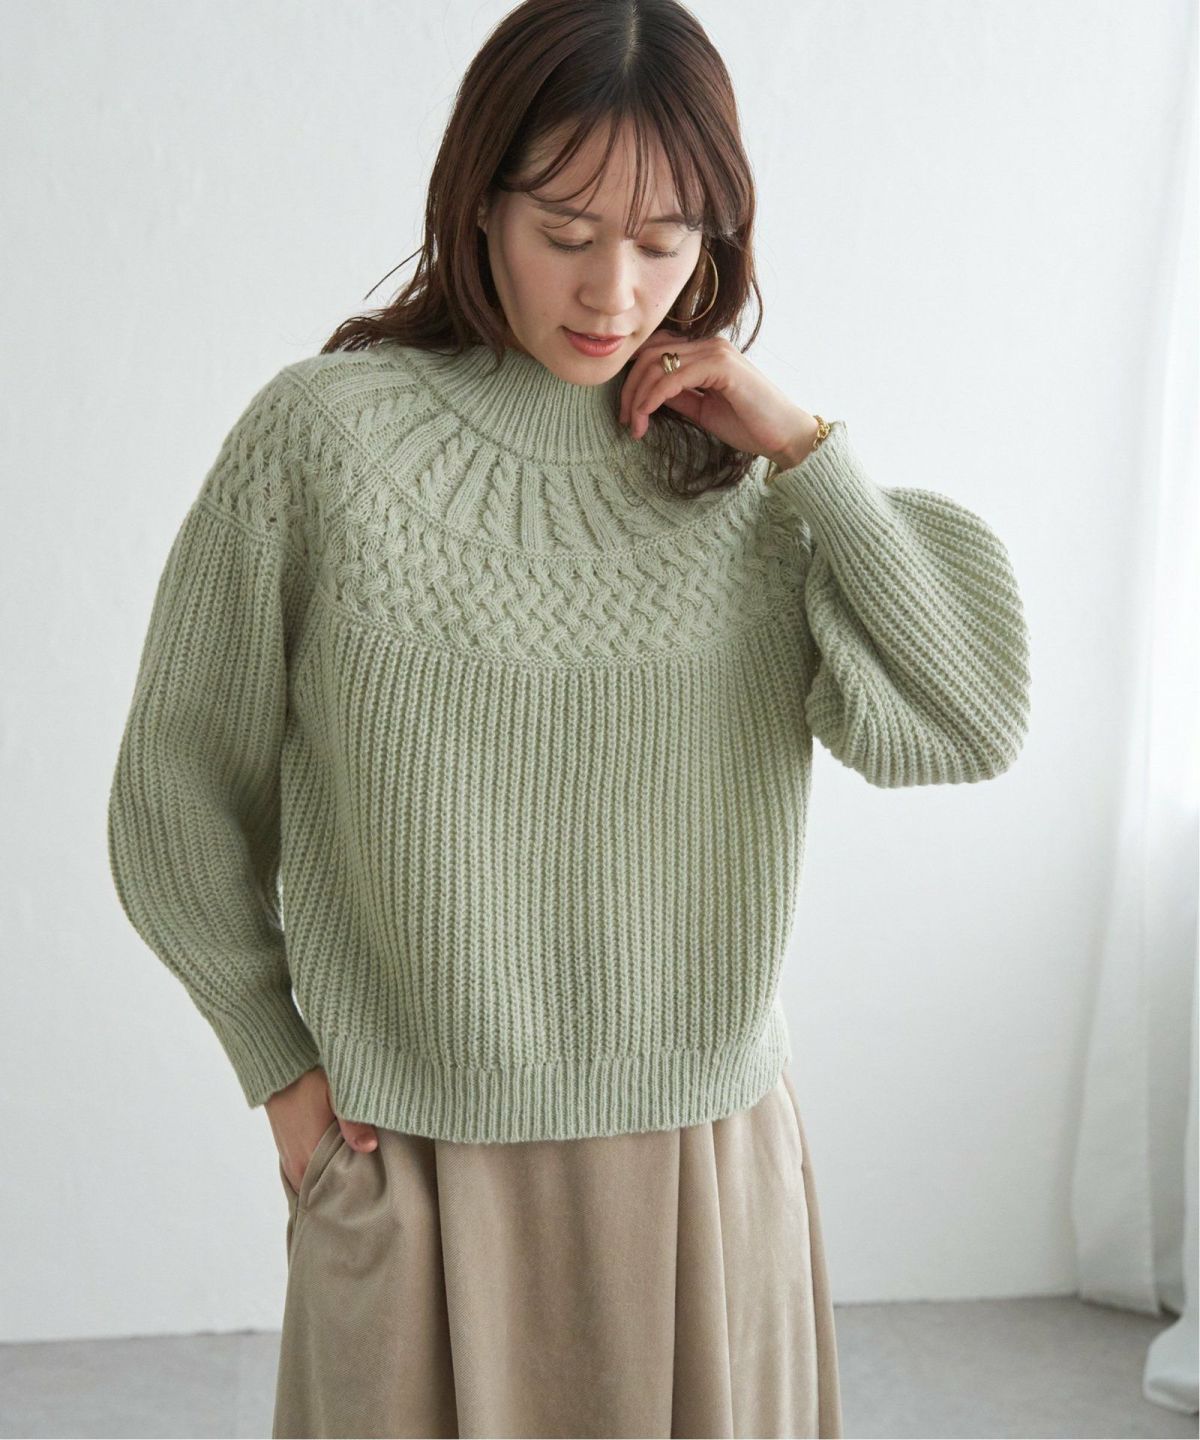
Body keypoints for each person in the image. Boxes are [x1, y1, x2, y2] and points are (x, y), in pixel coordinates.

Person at [105, 1, 1032, 1436]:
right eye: (566, 230)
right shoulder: (327, 441)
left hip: (703, 1167)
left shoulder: (746, 484)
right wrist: (278, 1071)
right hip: (415, 1161)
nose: (615, 290)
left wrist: (804, 451)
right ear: (479, 205)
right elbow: (175, 790)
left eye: (665, 241)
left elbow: (972, 717)